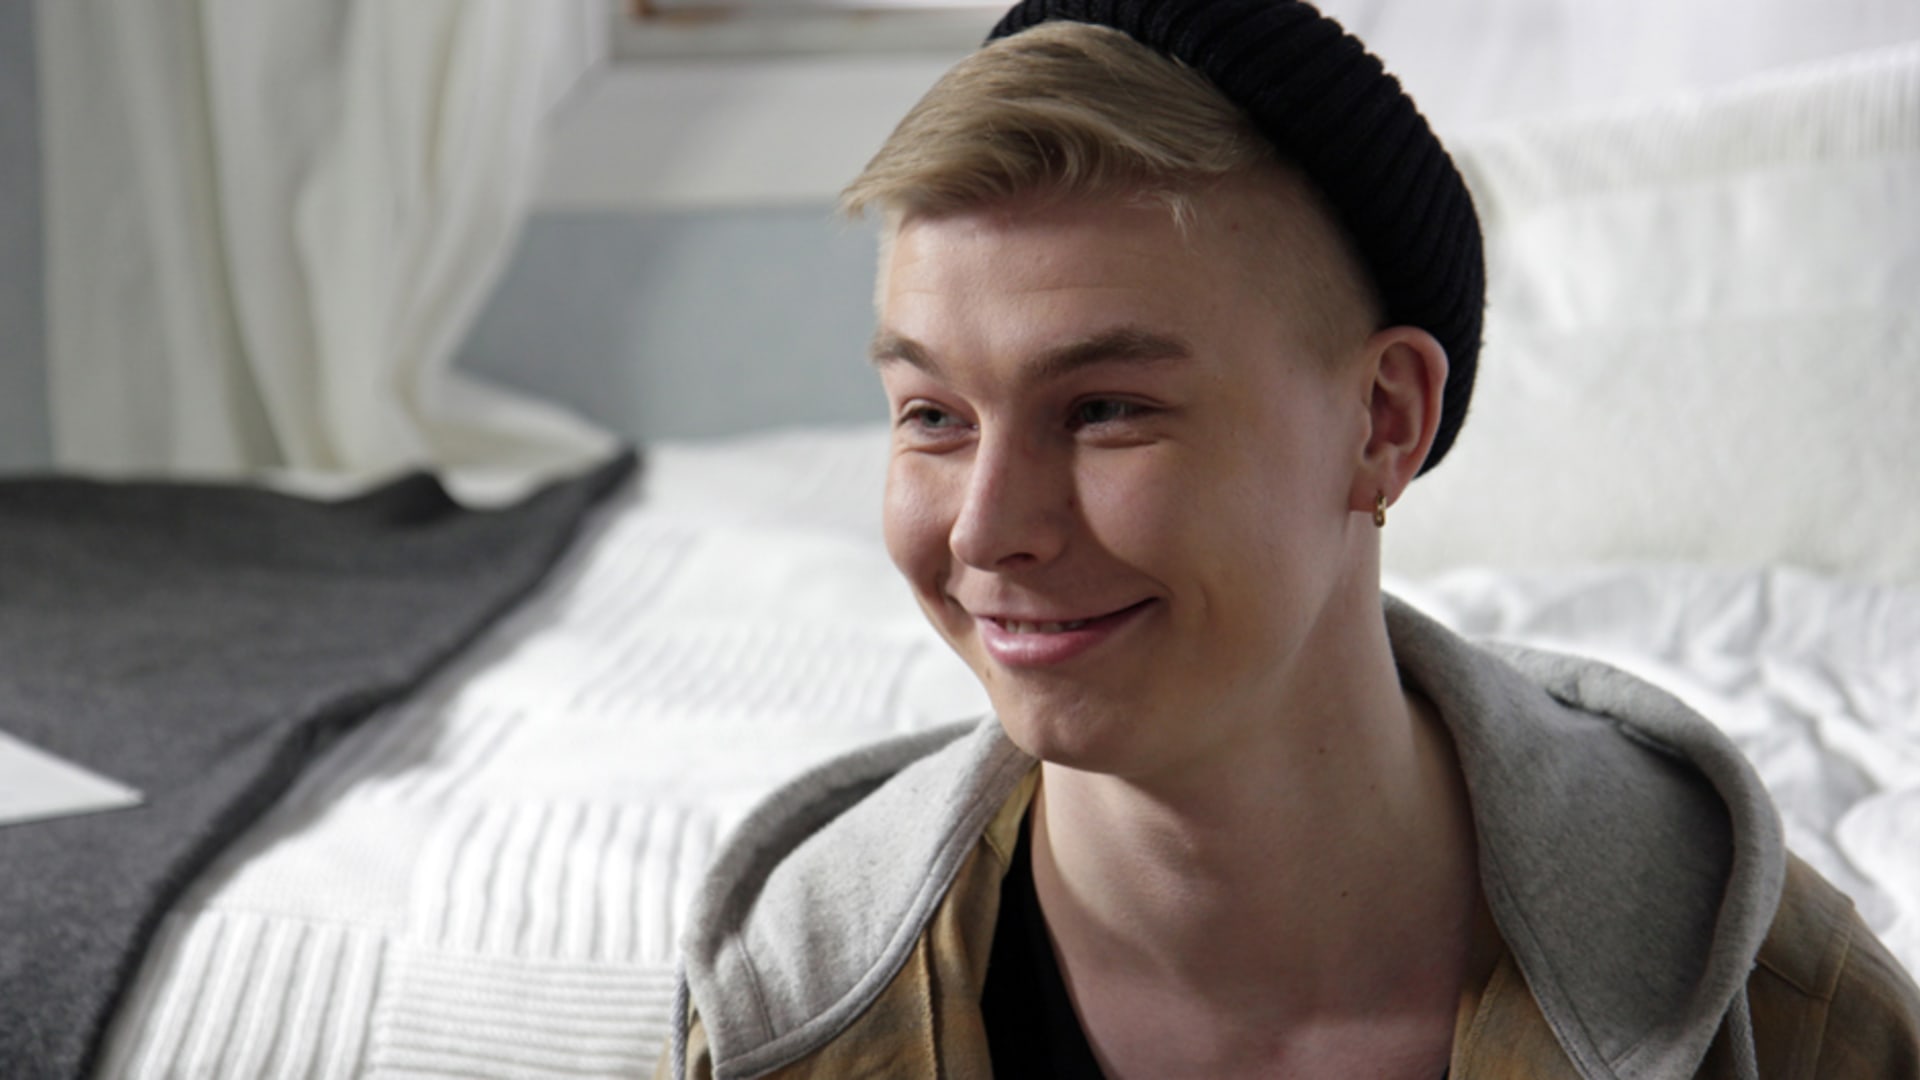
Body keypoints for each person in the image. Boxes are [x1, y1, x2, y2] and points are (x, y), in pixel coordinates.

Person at [656, 2, 1920, 1077]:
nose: (987, 530)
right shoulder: (793, 1012)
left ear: (1382, 422)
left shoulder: (1778, 1007)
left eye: (1105, 410)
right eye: (934, 416)